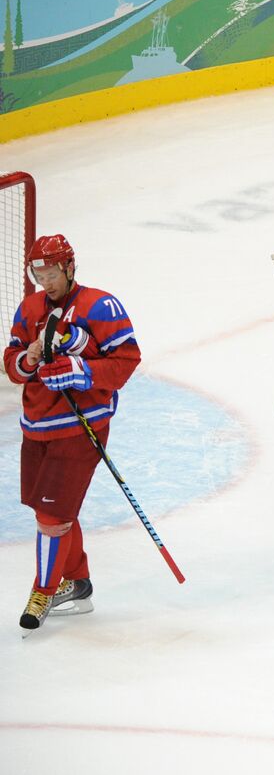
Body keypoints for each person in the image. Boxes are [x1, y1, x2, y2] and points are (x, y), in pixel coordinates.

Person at [6, 235, 141, 636]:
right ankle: (77, 584)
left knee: (51, 515)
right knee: (48, 508)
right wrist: (27, 360)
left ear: (68, 267)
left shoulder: (101, 305)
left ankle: (43, 591)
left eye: (51, 273)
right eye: (38, 274)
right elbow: (10, 362)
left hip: (82, 426)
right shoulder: (30, 307)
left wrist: (80, 373)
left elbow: (126, 360)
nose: (45, 282)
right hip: (36, 425)